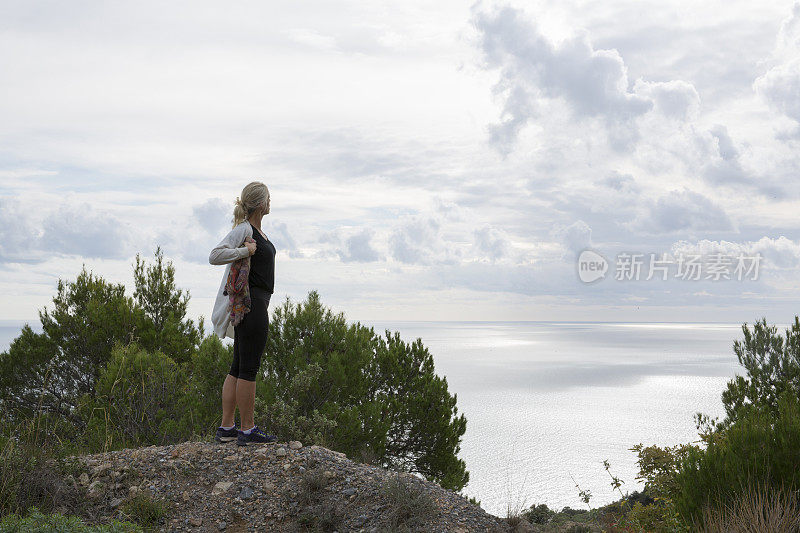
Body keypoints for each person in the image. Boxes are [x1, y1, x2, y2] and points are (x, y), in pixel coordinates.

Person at [208, 181, 277, 446]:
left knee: (237, 367)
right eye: (268, 198)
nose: (271, 202)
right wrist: (244, 250)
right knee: (249, 368)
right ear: (260, 203)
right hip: (253, 304)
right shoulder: (245, 229)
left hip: (253, 304)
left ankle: (227, 429)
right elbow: (215, 255)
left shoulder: (255, 230)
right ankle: (247, 430)